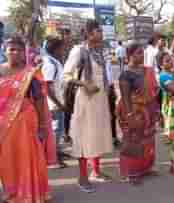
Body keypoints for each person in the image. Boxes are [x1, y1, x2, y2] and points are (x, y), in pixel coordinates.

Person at [0, 35, 52, 203]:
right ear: (5, 51)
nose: (15, 53)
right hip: (3, 123)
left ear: (24, 53)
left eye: (19, 50)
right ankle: (11, 191)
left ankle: (31, 193)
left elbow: (39, 99)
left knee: (27, 156)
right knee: (7, 157)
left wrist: (43, 125)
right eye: (11, 49)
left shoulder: (31, 73)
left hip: (25, 122)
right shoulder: (0, 70)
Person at [64, 19, 113, 193]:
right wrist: (85, 84)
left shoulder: (101, 51)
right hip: (85, 100)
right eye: (99, 31)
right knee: (84, 138)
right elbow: (67, 75)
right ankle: (82, 178)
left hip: (100, 99)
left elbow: (106, 74)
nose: (102, 34)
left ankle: (96, 171)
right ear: (89, 33)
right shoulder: (79, 51)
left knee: (97, 135)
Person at [117, 43, 160, 185]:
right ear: (130, 55)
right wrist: (130, 116)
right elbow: (125, 97)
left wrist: (156, 110)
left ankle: (145, 168)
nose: (142, 56)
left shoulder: (147, 70)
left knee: (147, 140)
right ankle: (131, 172)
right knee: (133, 140)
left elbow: (154, 91)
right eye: (138, 53)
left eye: (142, 53)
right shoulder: (126, 74)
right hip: (134, 112)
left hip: (148, 112)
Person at [42, 35, 68, 168]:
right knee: (54, 130)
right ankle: (51, 159)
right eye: (62, 48)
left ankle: (56, 153)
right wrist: (58, 104)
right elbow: (47, 88)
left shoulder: (55, 61)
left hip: (58, 102)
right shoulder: (49, 64)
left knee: (58, 130)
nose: (63, 50)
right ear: (56, 49)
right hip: (53, 104)